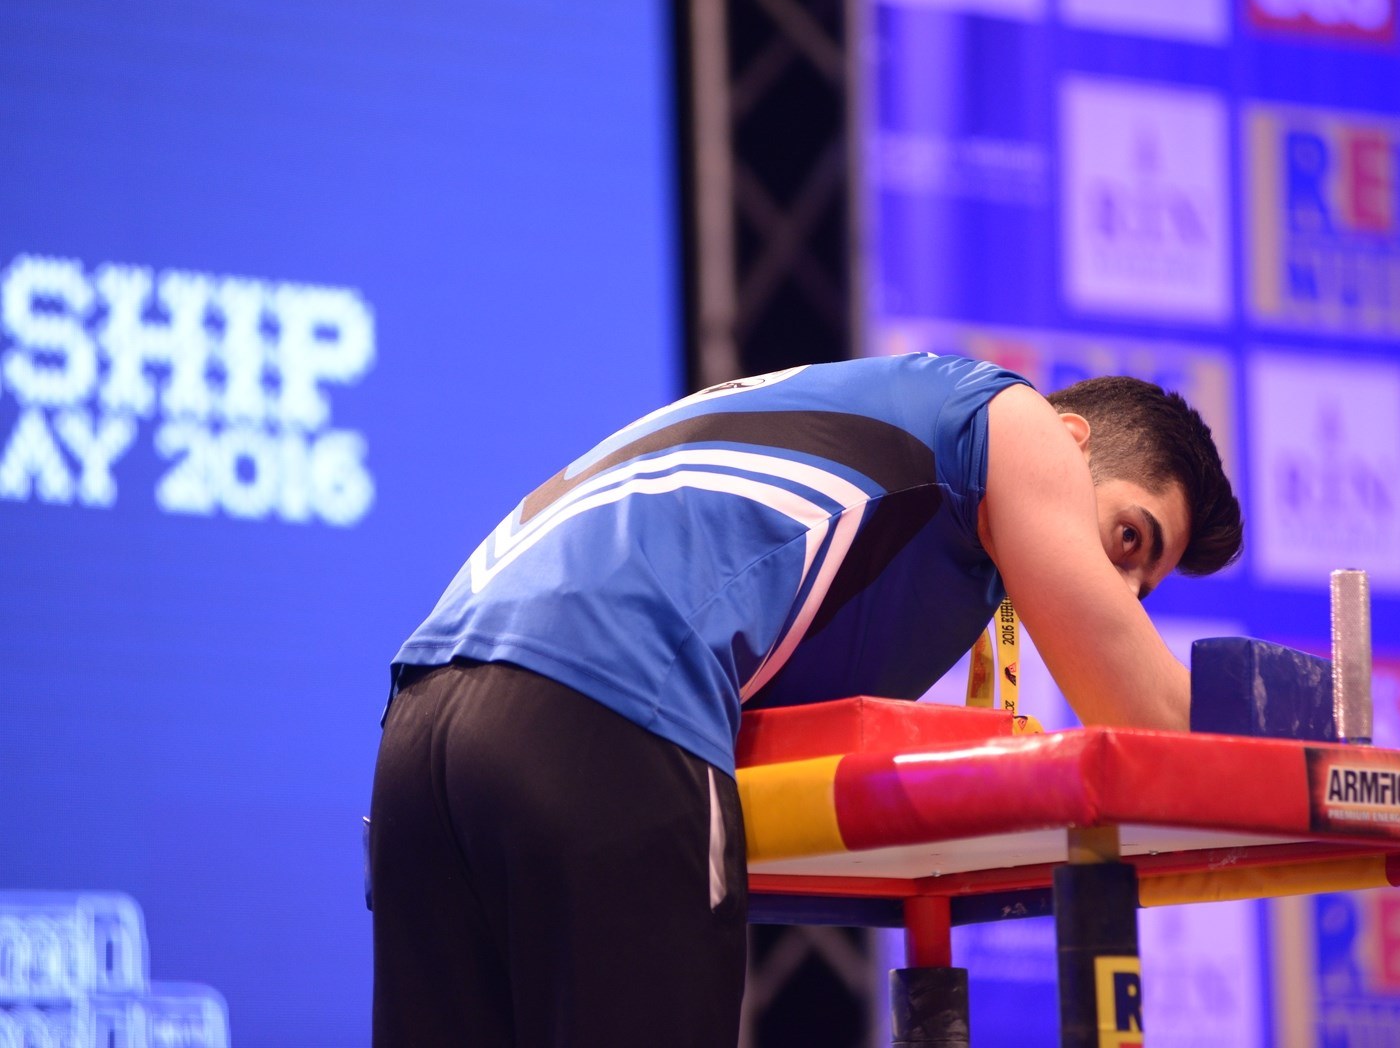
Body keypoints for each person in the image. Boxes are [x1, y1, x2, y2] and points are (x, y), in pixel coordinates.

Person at [368, 352, 1242, 1047]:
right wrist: (1309, 724)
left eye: (1144, 584)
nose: (1121, 590)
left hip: (422, 723)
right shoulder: (1016, 422)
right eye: (1130, 538)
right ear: (1074, 438)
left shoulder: (876, 452)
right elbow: (1151, 720)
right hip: (602, 714)